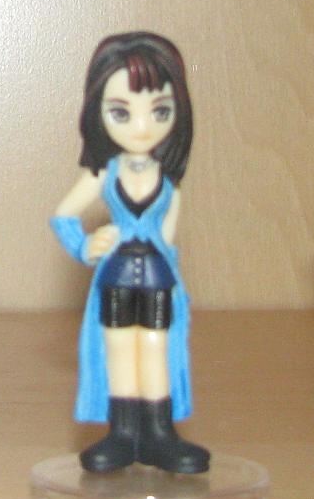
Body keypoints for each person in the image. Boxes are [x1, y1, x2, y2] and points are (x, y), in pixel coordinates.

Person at [51, 32, 208, 474]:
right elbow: (63, 216)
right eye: (122, 112)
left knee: (156, 348)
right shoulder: (104, 173)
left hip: (157, 277)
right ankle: (121, 434)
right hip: (116, 277)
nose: (142, 126)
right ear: (98, 113)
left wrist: (179, 287)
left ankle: (159, 433)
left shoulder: (169, 180)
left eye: (159, 111)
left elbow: (169, 241)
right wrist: (85, 246)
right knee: (119, 349)